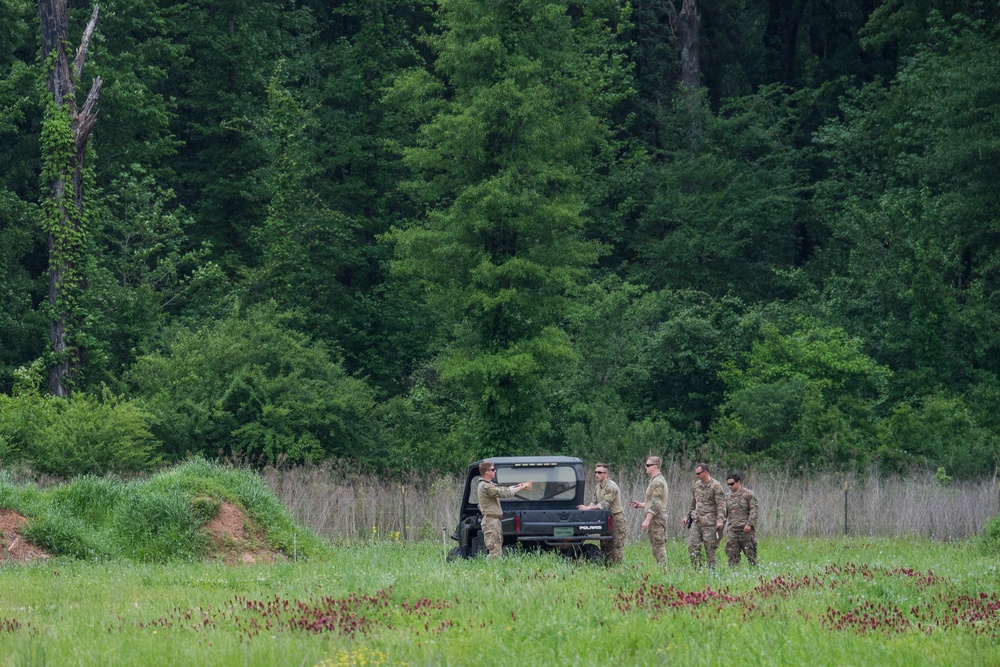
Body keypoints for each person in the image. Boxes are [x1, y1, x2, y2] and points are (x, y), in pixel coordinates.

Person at [477, 461, 532, 559]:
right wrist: (522, 487)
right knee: (494, 552)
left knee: (497, 549)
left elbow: (503, 489)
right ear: (487, 472)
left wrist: (519, 486)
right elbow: (504, 493)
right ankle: (491, 572)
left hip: (494, 521)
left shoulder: (488, 485)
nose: (495, 471)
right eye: (493, 469)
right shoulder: (485, 486)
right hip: (491, 521)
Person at [577, 463, 625, 564]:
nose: (596, 474)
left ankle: (617, 567)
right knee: (604, 544)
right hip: (604, 518)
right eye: (595, 472)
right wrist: (586, 510)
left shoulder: (611, 487)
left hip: (616, 518)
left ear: (606, 474)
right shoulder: (598, 487)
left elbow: (605, 504)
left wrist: (588, 508)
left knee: (616, 545)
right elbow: (594, 501)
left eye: (599, 472)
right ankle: (606, 567)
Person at [681, 463, 726, 569]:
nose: (697, 475)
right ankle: (698, 570)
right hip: (697, 521)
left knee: (710, 548)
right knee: (692, 545)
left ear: (705, 472)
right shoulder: (697, 484)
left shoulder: (716, 486)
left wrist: (720, 521)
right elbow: (694, 501)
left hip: (710, 523)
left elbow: (721, 505)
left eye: (698, 473)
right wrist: (687, 516)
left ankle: (712, 571)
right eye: (696, 473)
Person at [629, 456, 668, 568]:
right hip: (655, 517)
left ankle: (664, 571)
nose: (645, 467)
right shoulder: (654, 481)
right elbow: (653, 501)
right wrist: (641, 505)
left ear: (655, 466)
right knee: (655, 547)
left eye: (648, 465)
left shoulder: (657, 482)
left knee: (658, 547)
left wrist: (647, 519)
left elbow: (657, 503)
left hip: (657, 518)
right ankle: (661, 569)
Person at [724, 473, 758, 567]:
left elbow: (754, 510)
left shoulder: (748, 494)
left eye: (732, 484)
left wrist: (749, 524)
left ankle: (754, 572)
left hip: (746, 531)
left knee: (751, 555)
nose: (730, 486)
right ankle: (734, 575)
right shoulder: (727, 497)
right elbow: (724, 513)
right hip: (732, 531)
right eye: (728, 484)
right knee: (732, 556)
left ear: (738, 482)